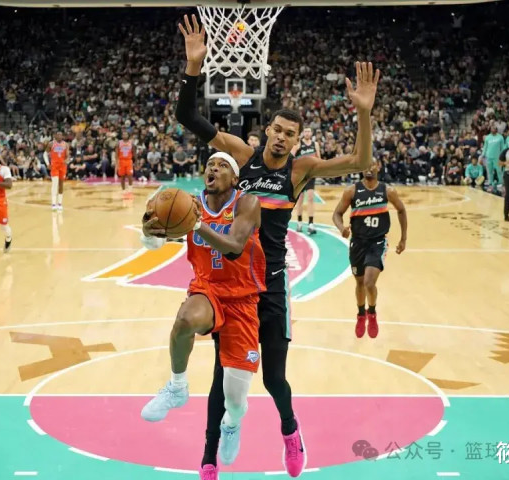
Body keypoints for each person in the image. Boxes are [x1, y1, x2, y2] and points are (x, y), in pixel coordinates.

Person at [174, 14, 379, 477]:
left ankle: (290, 432)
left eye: (291, 134)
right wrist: (193, 67)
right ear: (267, 130)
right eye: (278, 130)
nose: (283, 137)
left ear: (298, 140)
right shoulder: (241, 157)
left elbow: (361, 160)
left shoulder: (301, 170)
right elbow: (187, 117)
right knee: (221, 374)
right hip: (233, 287)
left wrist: (364, 112)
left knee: (274, 378)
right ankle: (208, 458)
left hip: (271, 286)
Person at [139, 152, 265, 480]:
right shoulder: (190, 204)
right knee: (185, 320)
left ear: (234, 178)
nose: (214, 168)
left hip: (242, 298)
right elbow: (156, 241)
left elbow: (234, 245)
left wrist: (196, 225)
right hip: (207, 287)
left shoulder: (247, 203)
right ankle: (177, 387)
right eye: (210, 164)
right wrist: (149, 231)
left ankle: (231, 423)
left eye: (222, 166)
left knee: (234, 400)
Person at [332, 158, 407, 338]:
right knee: (359, 283)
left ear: (378, 167)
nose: (369, 168)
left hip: (377, 242)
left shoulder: (387, 191)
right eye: (366, 164)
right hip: (357, 242)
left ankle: (372, 313)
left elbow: (401, 210)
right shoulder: (351, 191)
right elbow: (337, 214)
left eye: (372, 164)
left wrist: (403, 238)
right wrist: (342, 228)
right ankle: (361, 315)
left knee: (369, 282)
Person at [292, 128, 322, 234]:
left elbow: (319, 158)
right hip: (300, 176)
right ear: (303, 133)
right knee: (300, 200)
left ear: (311, 133)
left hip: (310, 175)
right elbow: (291, 157)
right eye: (305, 131)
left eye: (309, 131)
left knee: (310, 198)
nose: (307, 133)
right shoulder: (298, 144)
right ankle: (299, 222)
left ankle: (311, 223)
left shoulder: (315, 144)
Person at [48, 132, 69, 211]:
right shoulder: (51, 144)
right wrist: (47, 163)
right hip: (54, 166)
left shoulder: (66, 144)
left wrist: (67, 160)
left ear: (62, 136)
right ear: (55, 136)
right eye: (58, 135)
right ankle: (53, 203)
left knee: (61, 185)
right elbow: (45, 154)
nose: (60, 136)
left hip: (62, 166)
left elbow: (68, 156)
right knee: (54, 184)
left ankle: (59, 203)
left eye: (61, 135)